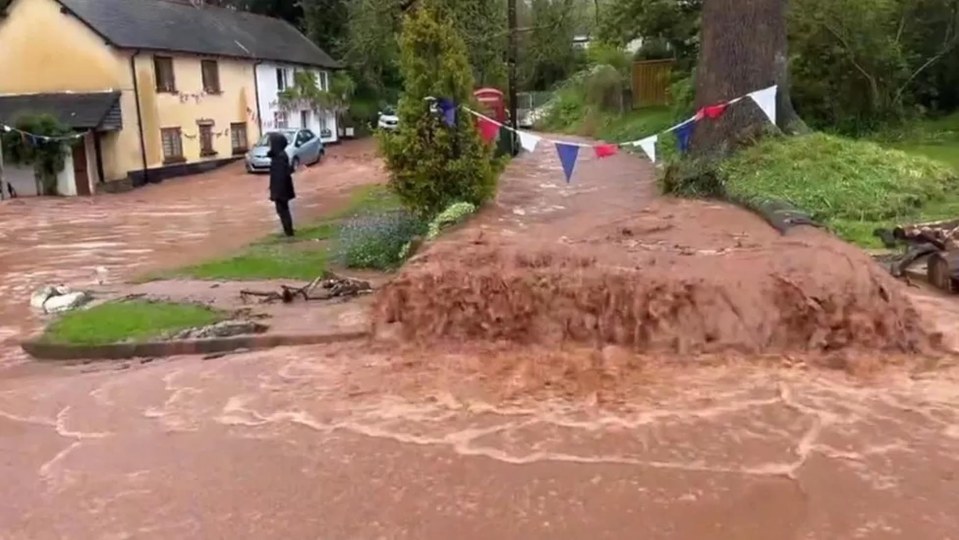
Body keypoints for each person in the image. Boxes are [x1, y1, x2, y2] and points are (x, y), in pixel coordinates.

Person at [267, 132, 295, 237]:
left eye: (271, 143)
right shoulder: (279, 155)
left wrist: (276, 193)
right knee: (282, 210)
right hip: (282, 190)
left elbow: (280, 176)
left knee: (282, 210)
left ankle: (289, 232)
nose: (270, 145)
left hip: (281, 191)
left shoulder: (280, 157)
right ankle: (288, 230)